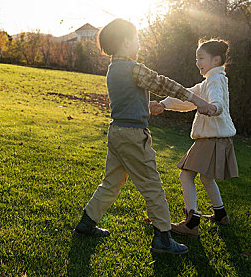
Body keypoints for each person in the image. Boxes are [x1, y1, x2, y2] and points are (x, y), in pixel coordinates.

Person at [73, 19, 215, 254]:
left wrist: (146, 105)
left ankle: (87, 222)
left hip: (117, 132)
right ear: (126, 41)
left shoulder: (113, 69)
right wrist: (197, 100)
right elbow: (164, 84)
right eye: (137, 39)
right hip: (133, 136)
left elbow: (126, 99)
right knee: (152, 186)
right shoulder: (133, 68)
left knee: (112, 181)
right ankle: (162, 239)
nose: (139, 43)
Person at [150, 39, 238, 237]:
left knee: (186, 174)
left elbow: (217, 101)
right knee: (206, 177)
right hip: (218, 138)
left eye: (201, 58)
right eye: (196, 58)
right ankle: (220, 214)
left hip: (211, 138)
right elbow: (188, 97)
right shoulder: (211, 81)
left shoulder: (214, 81)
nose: (197, 62)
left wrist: (213, 108)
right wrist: (164, 104)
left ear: (216, 60)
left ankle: (191, 223)